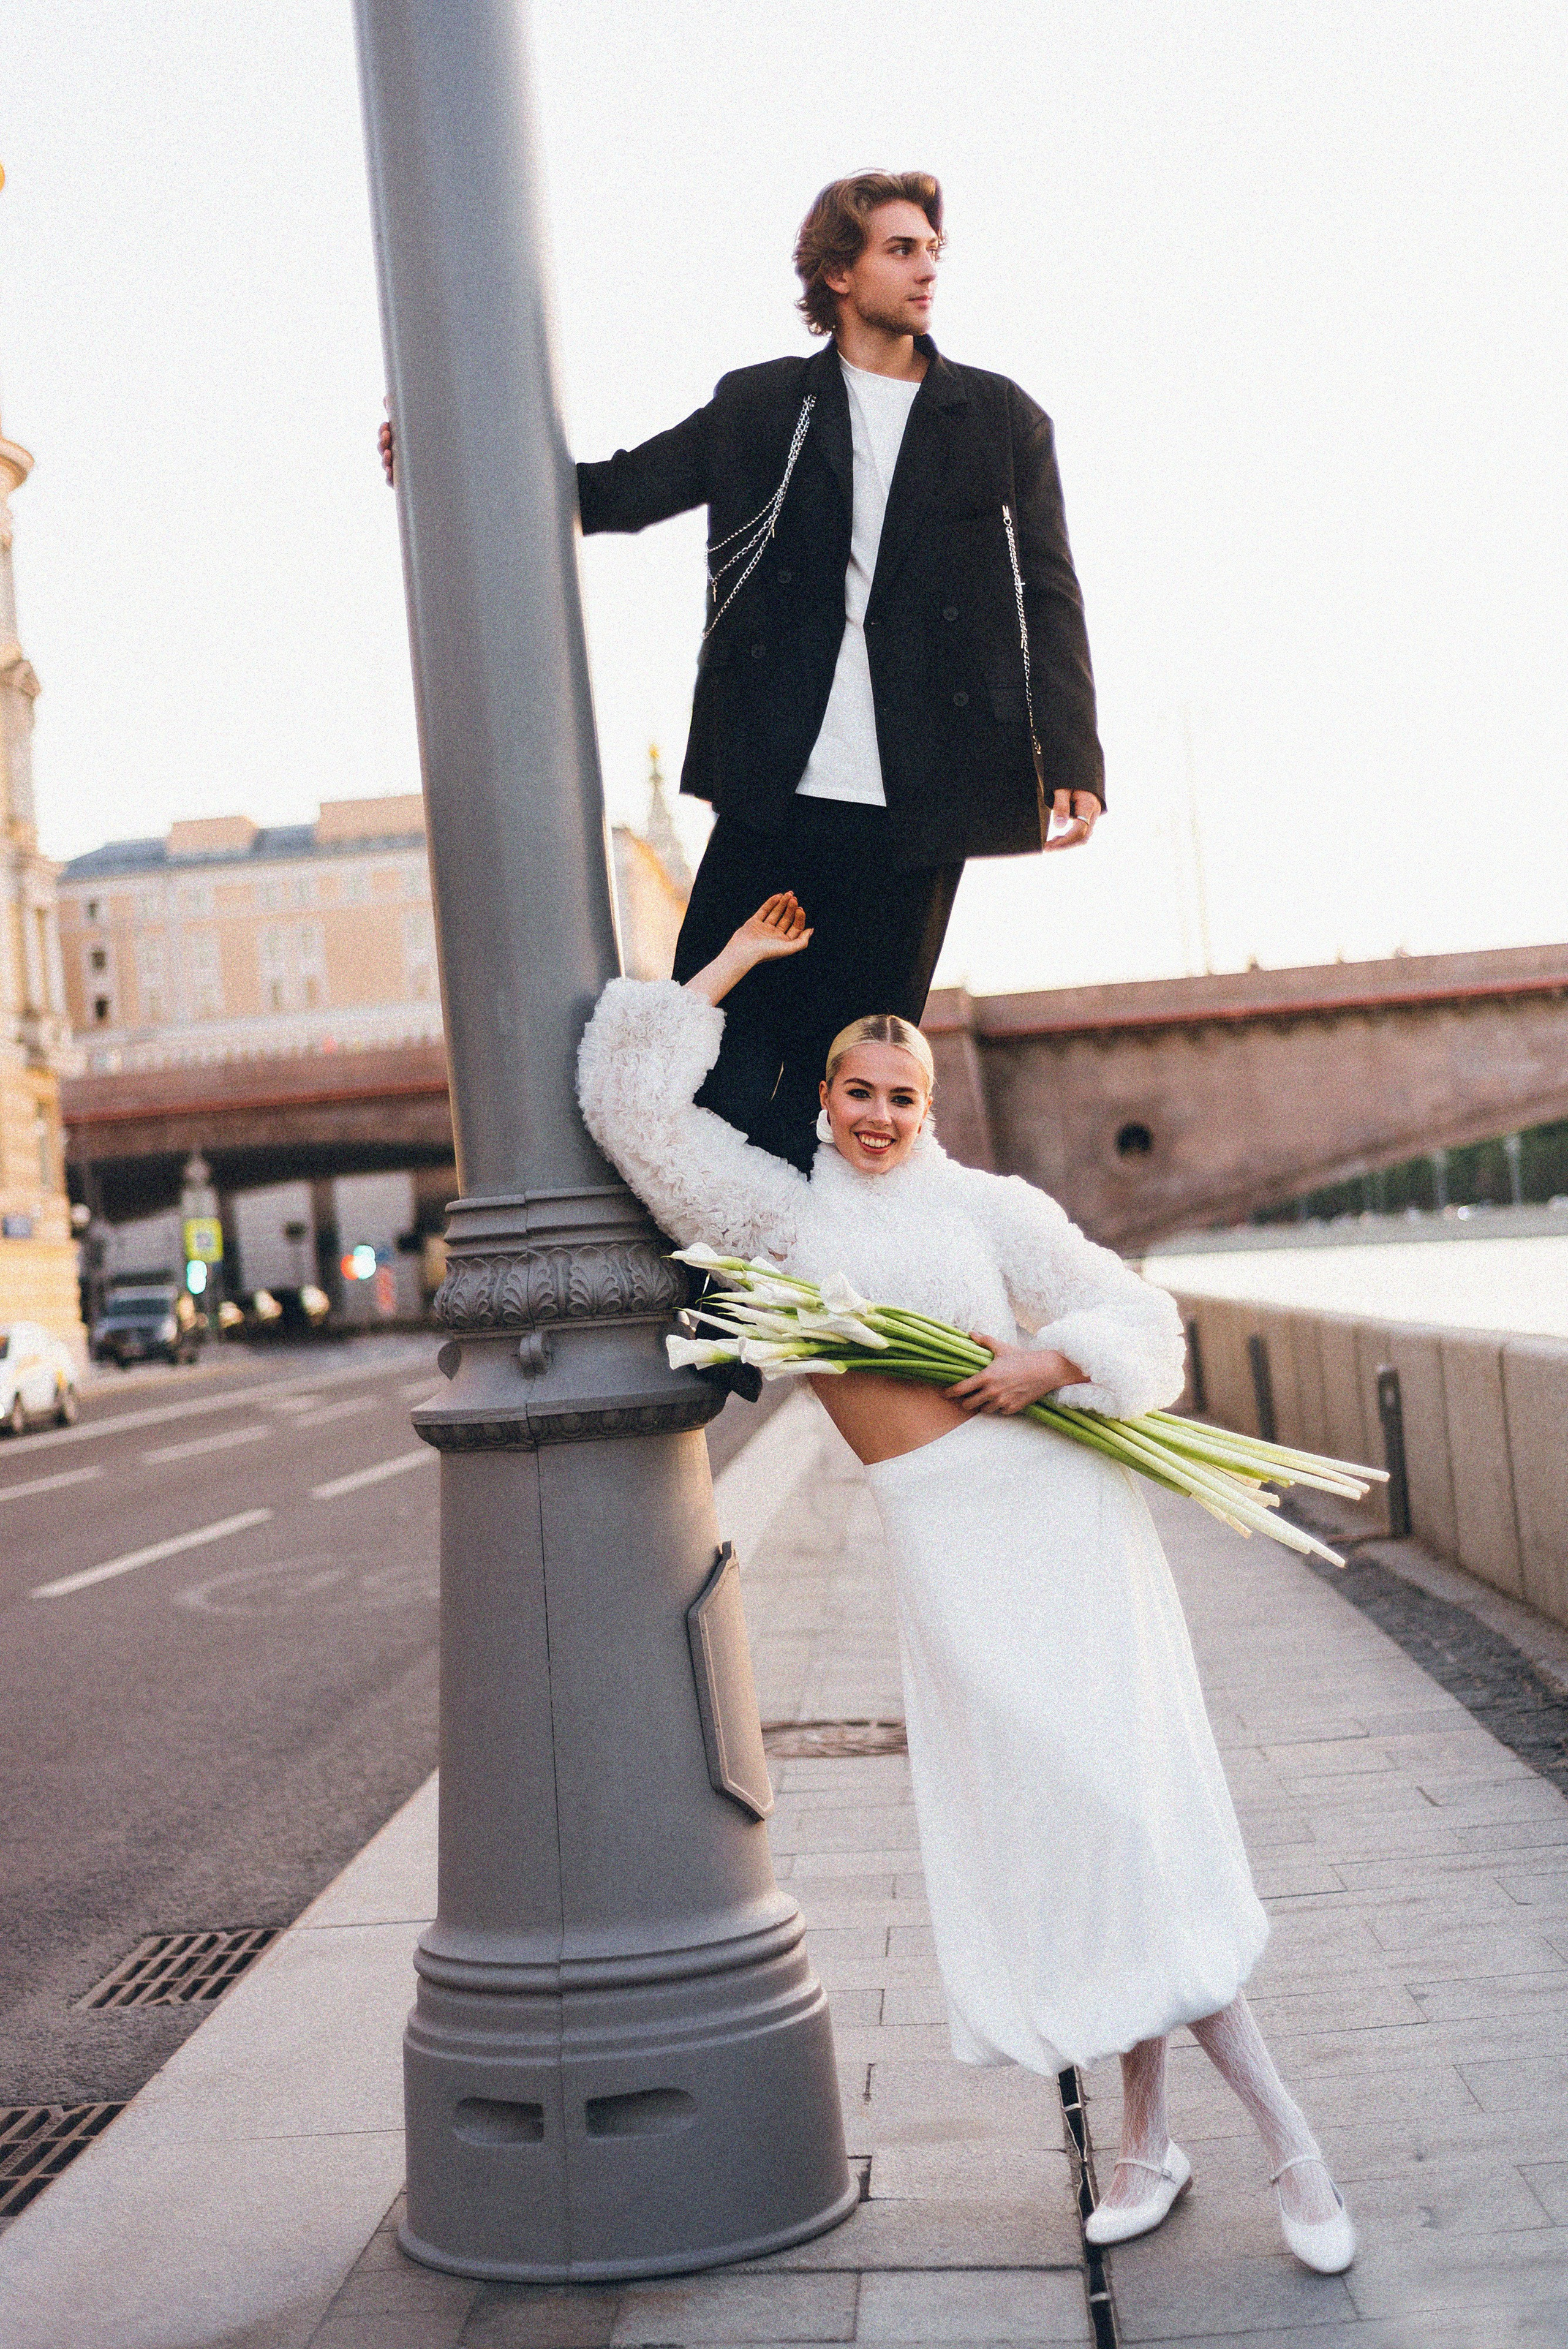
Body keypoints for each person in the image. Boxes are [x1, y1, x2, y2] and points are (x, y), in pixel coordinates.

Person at [575, 892, 1357, 2276]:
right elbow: (633, 1111)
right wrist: (732, 966)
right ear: (823, 1099)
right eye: (859, 1091)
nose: (879, 1114)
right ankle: (1146, 2140)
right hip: (946, 1552)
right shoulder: (777, 1212)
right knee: (1073, 1837)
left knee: (1121, 1820)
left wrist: (1046, 1363)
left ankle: (1289, 2143)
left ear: (931, 1103)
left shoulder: (989, 1206)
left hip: (1056, 1523)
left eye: (903, 1094)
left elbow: (1139, 1318)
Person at [383, 169, 1106, 1171]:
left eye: (934, 248)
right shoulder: (764, 406)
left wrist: (1071, 752)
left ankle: (814, 1317)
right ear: (839, 273)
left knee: (857, 1076)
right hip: (779, 786)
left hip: (924, 801)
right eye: (902, 250)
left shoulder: (999, 418)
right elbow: (620, 493)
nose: (928, 267)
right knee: (712, 1054)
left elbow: (1050, 591)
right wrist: (444, 459)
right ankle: (714, 1301)